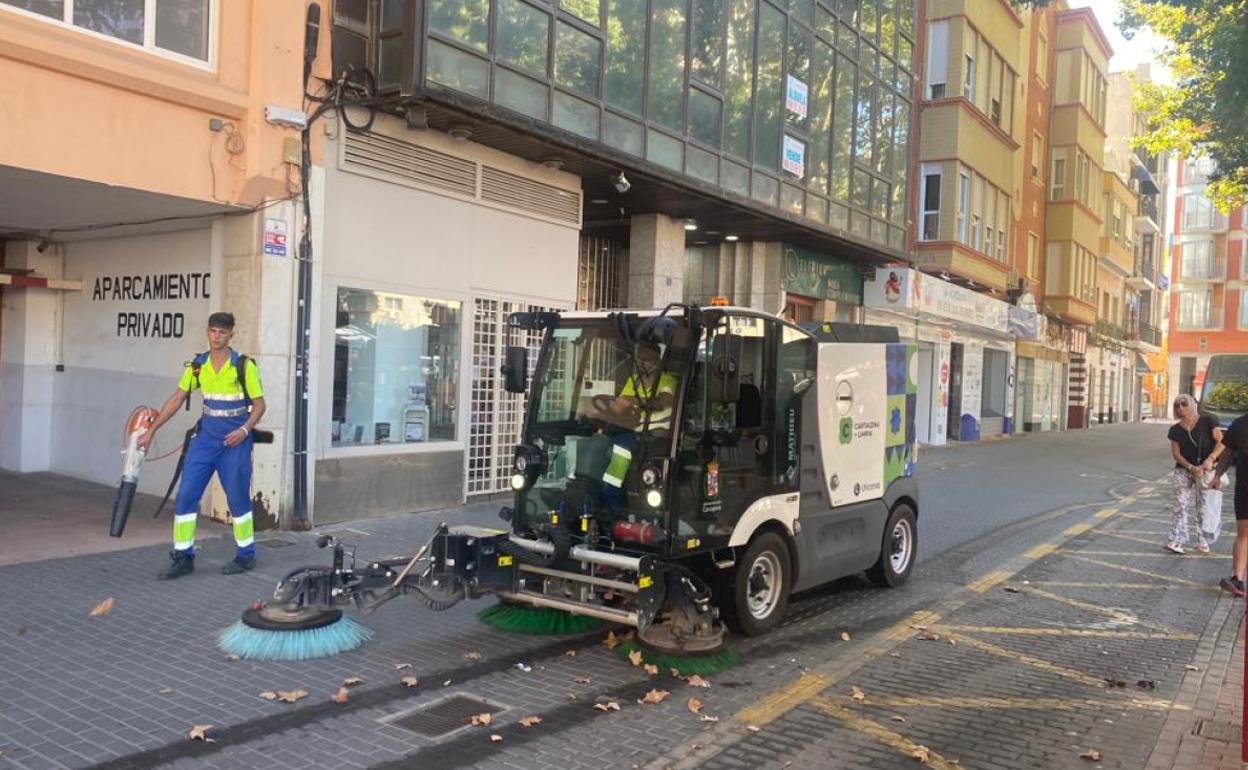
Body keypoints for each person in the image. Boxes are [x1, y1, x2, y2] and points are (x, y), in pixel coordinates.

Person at [138, 312, 267, 579]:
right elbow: (177, 398)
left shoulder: (243, 365)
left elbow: (260, 405)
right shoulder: (197, 365)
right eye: (213, 331)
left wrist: (244, 430)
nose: (217, 336)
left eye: (222, 332)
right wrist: (151, 430)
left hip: (235, 442)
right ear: (207, 332)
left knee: (237, 498)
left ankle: (246, 555)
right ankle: (183, 556)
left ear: (231, 334)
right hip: (205, 440)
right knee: (186, 495)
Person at [1165, 394, 1224, 554]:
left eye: (1184, 404)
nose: (1180, 408)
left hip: (1205, 470)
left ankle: (1202, 540)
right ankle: (1177, 540)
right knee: (1179, 504)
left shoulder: (1207, 421)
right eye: (1177, 405)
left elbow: (1222, 442)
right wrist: (1191, 467)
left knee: (1202, 506)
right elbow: (1176, 454)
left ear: (1192, 404)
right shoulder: (1175, 430)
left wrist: (1211, 459)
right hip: (1184, 470)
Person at [1216, 412, 1248, 595]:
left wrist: (1218, 475)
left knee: (1244, 533)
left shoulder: (1240, 423)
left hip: (1245, 486)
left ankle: (1238, 579)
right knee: (1244, 532)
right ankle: (1238, 580)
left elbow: (1228, 453)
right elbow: (1228, 452)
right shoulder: (1240, 424)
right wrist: (1218, 475)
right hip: (1245, 487)